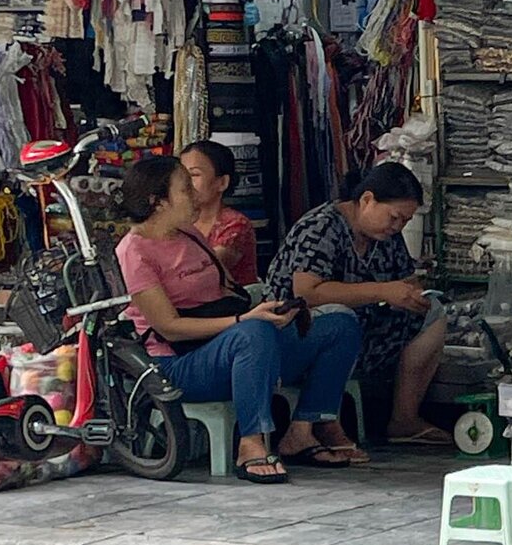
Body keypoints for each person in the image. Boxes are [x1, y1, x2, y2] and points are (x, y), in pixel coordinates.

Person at [115, 155, 366, 484]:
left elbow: (227, 294)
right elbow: (169, 328)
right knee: (253, 334)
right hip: (177, 364)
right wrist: (244, 320)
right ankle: (251, 442)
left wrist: (273, 309)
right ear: (158, 201)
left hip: (232, 345)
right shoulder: (134, 251)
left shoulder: (189, 234)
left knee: (340, 325)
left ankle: (304, 428)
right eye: (184, 188)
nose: (194, 194)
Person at [265, 162, 449, 447]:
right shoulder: (321, 227)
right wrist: (381, 291)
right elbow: (308, 293)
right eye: (394, 217)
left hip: (365, 330)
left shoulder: (387, 238)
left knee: (434, 313)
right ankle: (318, 422)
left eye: (404, 221)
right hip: (299, 333)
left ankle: (404, 419)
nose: (397, 226)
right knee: (340, 318)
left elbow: (406, 279)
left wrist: (412, 295)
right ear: (367, 200)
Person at [181, 139, 258, 286]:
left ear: (222, 182)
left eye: (194, 175)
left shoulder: (236, 225)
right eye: (181, 177)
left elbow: (204, 272)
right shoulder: (181, 223)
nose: (185, 184)